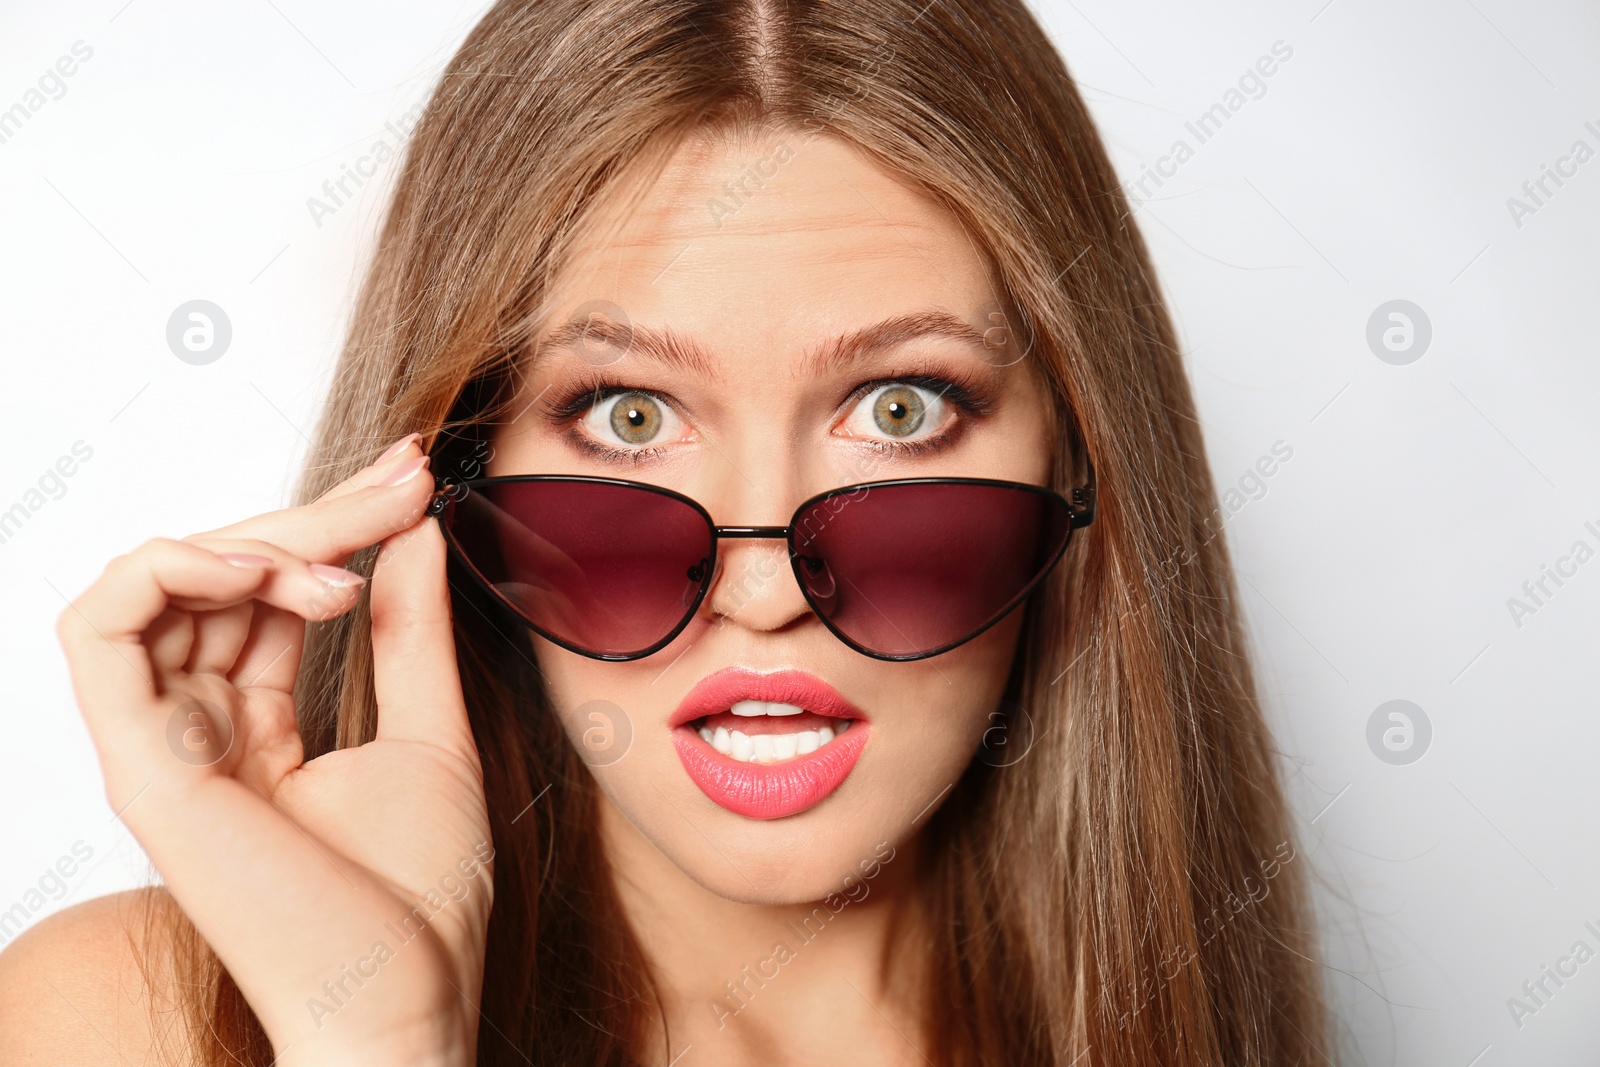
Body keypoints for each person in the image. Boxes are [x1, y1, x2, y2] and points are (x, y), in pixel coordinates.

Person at [1, 1, 1328, 1063]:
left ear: (1081, 462)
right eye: (630, 416)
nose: (761, 594)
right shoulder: (133, 1024)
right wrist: (379, 1043)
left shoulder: (1187, 1025)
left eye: (901, 407)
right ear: (449, 477)